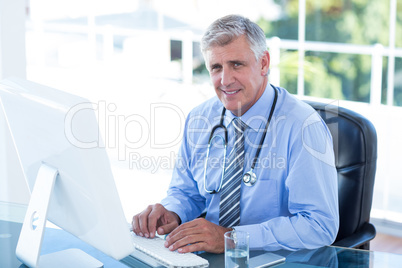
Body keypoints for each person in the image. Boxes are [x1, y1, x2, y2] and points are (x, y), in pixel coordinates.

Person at [132, 14, 339, 254]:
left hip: (274, 260)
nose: (225, 80)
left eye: (236, 64)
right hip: (208, 258)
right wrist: (171, 212)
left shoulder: (303, 127)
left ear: (263, 63)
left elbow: (320, 225)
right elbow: (185, 191)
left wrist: (233, 238)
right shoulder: (200, 118)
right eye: (216, 67)